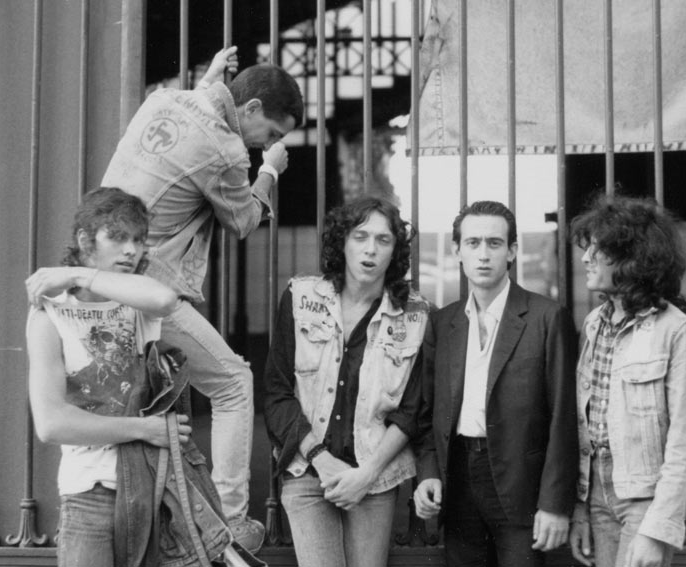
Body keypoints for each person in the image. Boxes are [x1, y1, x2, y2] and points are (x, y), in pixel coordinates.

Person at [100, 49, 304, 552]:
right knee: (234, 382)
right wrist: (270, 171)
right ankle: (231, 522)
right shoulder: (227, 151)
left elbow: (200, 111)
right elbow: (243, 220)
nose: (269, 143)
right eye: (272, 133)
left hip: (101, 275)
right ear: (250, 108)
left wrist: (212, 78)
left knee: (143, 408)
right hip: (146, 287)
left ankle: (159, 524)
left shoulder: (162, 100)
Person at [263, 197, 430, 567]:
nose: (371, 249)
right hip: (308, 471)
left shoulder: (416, 316)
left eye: (383, 240)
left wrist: (365, 476)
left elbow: (412, 411)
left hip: (374, 476)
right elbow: (277, 394)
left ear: (395, 251)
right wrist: (321, 460)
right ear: (342, 242)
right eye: (360, 236)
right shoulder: (300, 298)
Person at [25, 187, 186, 566]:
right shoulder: (49, 315)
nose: (131, 250)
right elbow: (51, 424)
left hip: (153, 487)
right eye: (117, 237)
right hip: (89, 492)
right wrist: (143, 429)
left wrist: (79, 273)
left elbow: (165, 299)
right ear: (86, 240)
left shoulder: (137, 302)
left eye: (139, 240)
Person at [414, 200, 578, 567]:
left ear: (512, 251)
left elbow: (564, 420)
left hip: (522, 485)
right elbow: (426, 414)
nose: (483, 254)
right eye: (472, 243)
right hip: (458, 482)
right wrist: (428, 474)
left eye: (494, 243)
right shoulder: (442, 323)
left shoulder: (547, 318)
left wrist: (554, 503)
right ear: (457, 251)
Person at [567, 194, 686, 567]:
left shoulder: (676, 331)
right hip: (597, 493)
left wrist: (656, 529)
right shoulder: (594, 324)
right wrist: (581, 509)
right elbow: (585, 425)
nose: (585, 258)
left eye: (597, 250)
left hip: (644, 501)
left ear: (632, 258)